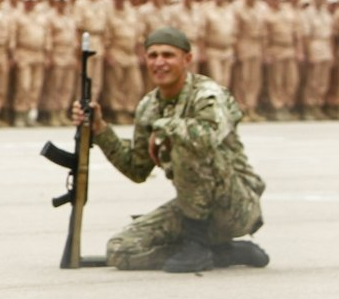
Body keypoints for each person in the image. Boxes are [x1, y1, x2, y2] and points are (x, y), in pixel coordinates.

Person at [71, 27, 269, 273]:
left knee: (185, 141)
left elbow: (205, 138)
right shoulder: (149, 106)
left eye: (168, 55)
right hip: (192, 206)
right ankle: (223, 252)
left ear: (187, 59)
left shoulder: (208, 95)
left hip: (234, 205)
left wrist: (165, 128)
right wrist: (100, 129)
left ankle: (197, 243)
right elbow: (136, 169)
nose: (159, 63)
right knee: (121, 250)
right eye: (152, 56)